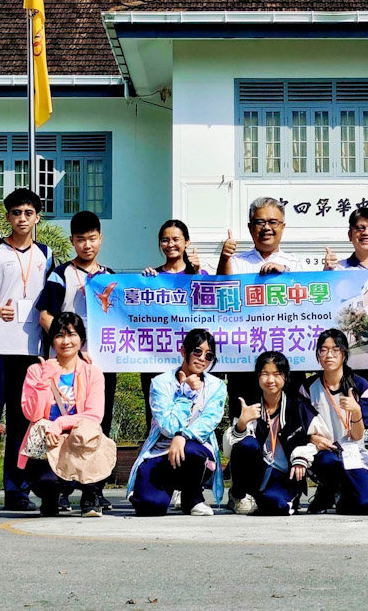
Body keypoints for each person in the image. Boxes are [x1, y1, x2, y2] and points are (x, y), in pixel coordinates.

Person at [0, 188, 54, 513]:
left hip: (30, 350)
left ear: (37, 217)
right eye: (16, 213)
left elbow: (53, 299)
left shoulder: (46, 254)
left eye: (28, 213)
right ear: (8, 216)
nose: (22, 219)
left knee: (23, 424)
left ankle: (17, 490)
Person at [36, 210, 115, 512]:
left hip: (101, 365)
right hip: (67, 367)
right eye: (81, 239)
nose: (87, 245)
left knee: (97, 425)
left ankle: (93, 489)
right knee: (64, 423)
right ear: (72, 241)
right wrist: (70, 347)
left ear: (101, 239)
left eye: (92, 239)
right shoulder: (61, 275)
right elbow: (45, 316)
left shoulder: (110, 276)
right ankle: (62, 487)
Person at [323, 206, 368, 506]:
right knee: (342, 419)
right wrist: (326, 275)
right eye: (360, 228)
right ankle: (343, 482)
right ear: (350, 234)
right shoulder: (337, 269)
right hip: (346, 365)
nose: (366, 233)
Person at [19, 313, 114, 517]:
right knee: (45, 480)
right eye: (59, 335)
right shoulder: (36, 371)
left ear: (82, 339)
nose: (66, 341)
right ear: (52, 340)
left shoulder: (92, 372)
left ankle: (90, 493)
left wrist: (60, 423)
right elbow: (32, 414)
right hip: (49, 441)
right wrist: (45, 378)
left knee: (88, 430)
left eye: (71, 334)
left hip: (78, 440)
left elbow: (94, 415)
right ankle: (51, 496)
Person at [218, 197, 303, 421]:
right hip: (245, 359)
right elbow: (222, 293)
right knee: (244, 421)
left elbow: (308, 305)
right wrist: (224, 258)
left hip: (287, 357)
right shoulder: (237, 261)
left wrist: (285, 275)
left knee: (290, 420)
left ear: (283, 226)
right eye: (260, 222)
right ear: (250, 227)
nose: (266, 228)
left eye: (273, 222)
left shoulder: (295, 264)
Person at [128, 329, 228, 516]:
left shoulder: (217, 386)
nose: (202, 358)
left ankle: (192, 496)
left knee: (192, 451)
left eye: (208, 355)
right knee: (150, 507)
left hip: (194, 450)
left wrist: (183, 436)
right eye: (197, 351)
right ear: (183, 351)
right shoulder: (160, 383)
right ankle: (160, 490)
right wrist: (186, 393)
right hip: (161, 451)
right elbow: (168, 426)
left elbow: (209, 421)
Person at [226, 351, 321, 515]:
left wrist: (302, 455)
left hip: (285, 475)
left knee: (275, 505)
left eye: (277, 374)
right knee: (247, 444)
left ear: (285, 377)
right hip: (258, 472)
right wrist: (241, 424)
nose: (270, 380)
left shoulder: (298, 406)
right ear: (257, 376)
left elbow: (322, 439)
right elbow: (230, 450)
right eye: (265, 374)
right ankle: (238, 496)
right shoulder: (251, 406)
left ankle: (279, 499)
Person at [300, 329, 368, 515]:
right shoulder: (308, 387)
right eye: (323, 350)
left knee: (366, 504)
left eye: (335, 350)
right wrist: (313, 439)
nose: (329, 355)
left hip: (353, 454)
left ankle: (343, 497)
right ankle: (327, 491)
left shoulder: (360, 385)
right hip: (324, 454)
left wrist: (356, 411)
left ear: (344, 354)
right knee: (327, 461)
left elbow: (358, 435)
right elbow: (303, 428)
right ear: (318, 355)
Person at [139, 219, 207, 434]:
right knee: (158, 411)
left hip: (191, 356)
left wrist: (198, 273)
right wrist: (143, 282)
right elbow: (141, 315)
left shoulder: (200, 275)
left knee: (194, 406)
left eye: (176, 239)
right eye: (165, 240)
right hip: (157, 356)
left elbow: (208, 311)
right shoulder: (152, 277)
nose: (170, 244)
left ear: (187, 242)